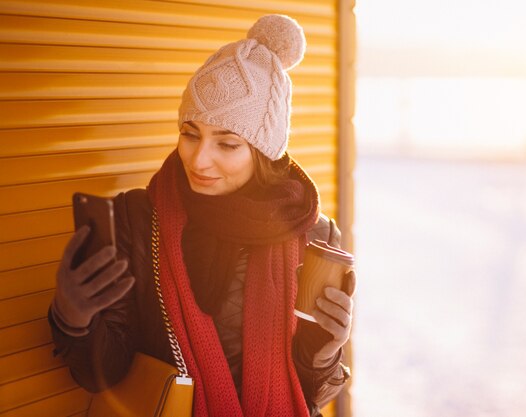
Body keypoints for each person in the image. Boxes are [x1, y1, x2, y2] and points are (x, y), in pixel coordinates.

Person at [48, 14, 355, 417]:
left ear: (262, 153)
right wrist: (73, 319)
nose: (198, 159)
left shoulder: (312, 234)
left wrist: (325, 353)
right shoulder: (139, 219)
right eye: (190, 134)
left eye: (227, 144)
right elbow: (106, 375)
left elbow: (309, 398)